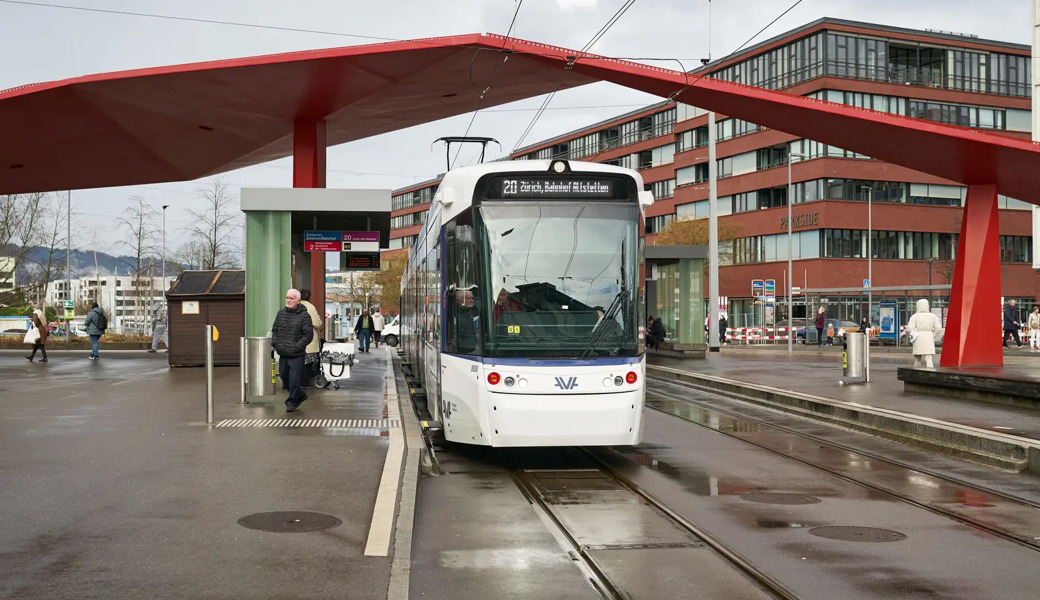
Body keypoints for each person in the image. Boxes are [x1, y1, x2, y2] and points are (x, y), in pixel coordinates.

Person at [271, 289, 313, 412]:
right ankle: (300, 395)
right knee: (284, 377)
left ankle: (292, 402)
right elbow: (275, 329)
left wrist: (297, 347)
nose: (288, 300)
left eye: (291, 298)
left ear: (298, 301)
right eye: (287, 298)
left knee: (294, 380)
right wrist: (275, 343)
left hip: (296, 355)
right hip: (283, 352)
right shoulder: (281, 313)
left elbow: (308, 335)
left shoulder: (304, 316)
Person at [906, 298, 944, 368]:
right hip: (929, 338)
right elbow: (938, 328)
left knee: (917, 359)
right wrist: (932, 335)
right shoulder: (933, 316)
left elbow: (909, 329)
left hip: (918, 338)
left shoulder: (914, 316)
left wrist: (913, 334)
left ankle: (917, 374)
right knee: (929, 360)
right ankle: (930, 374)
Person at [299, 289, 323, 383]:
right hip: (308, 339)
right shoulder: (310, 307)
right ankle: (304, 382)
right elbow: (317, 323)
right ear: (309, 297)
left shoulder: (295, 305)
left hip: (296, 340)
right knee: (308, 363)